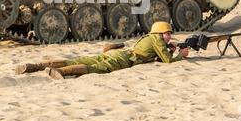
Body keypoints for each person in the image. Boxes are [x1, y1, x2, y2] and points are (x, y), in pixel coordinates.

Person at [15, 21, 190, 80]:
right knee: (97, 68)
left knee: (80, 60)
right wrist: (181, 56)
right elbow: (166, 61)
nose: (169, 36)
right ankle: (59, 71)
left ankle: (33, 66)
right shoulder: (157, 39)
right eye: (168, 34)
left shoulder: (151, 37)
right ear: (160, 33)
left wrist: (172, 50)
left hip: (119, 52)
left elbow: (161, 56)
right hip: (124, 59)